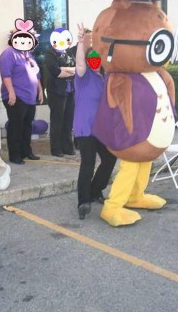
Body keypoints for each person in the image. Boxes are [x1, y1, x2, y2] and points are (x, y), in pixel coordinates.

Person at [73, 23, 117, 220]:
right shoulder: (83, 76)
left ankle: (95, 190)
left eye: (98, 58)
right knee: (88, 163)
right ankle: (83, 201)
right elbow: (80, 63)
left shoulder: (104, 77)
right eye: (93, 57)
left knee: (109, 158)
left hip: (100, 128)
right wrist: (81, 43)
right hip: (84, 127)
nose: (95, 61)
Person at [0, 19, 44, 165]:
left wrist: (40, 91)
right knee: (16, 126)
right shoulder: (8, 54)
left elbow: (36, 75)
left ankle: (26, 152)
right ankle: (15, 155)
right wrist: (11, 92)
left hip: (30, 98)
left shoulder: (29, 56)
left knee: (27, 126)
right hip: (16, 97)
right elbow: (6, 74)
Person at [44, 28, 76, 157]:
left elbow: (76, 68)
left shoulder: (68, 52)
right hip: (56, 92)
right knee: (58, 121)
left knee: (68, 120)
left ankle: (67, 147)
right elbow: (56, 72)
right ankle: (56, 149)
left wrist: (65, 68)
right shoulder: (50, 53)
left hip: (70, 91)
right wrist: (68, 70)